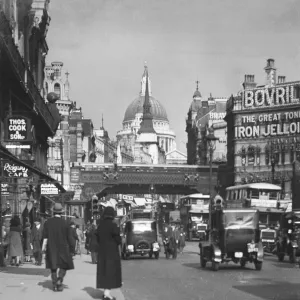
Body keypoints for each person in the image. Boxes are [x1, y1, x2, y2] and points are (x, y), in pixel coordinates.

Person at [42, 203, 75, 292]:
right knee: (64, 265)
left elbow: (44, 237)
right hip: (63, 248)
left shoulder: (47, 222)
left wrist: (43, 249)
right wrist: (72, 248)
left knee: (53, 267)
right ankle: (60, 279)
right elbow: (70, 238)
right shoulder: (65, 223)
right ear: (61, 212)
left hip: (51, 247)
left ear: (53, 212)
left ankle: (54, 284)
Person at [96, 206, 122, 300]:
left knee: (104, 272)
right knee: (110, 272)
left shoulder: (100, 225)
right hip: (112, 252)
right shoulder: (113, 225)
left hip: (102, 252)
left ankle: (105, 292)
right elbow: (118, 239)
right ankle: (107, 294)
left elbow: (97, 238)